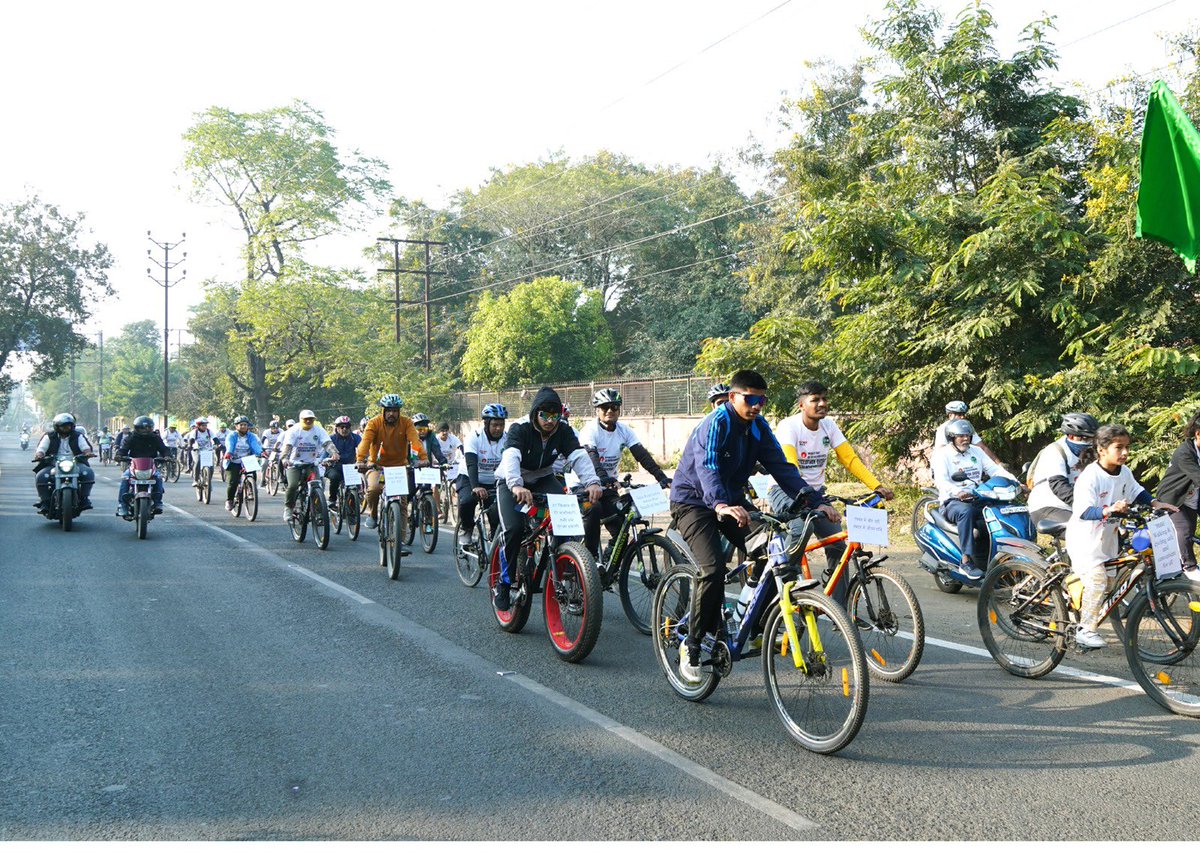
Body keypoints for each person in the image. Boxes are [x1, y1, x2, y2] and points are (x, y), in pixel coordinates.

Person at [669, 370, 828, 683]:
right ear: (733, 397)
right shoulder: (717, 422)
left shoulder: (758, 427)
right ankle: (693, 644)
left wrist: (812, 500)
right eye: (750, 399)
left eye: (761, 400)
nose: (756, 406)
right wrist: (720, 505)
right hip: (694, 502)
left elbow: (781, 466)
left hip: (732, 502)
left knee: (771, 551)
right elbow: (708, 466)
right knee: (713, 569)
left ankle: (748, 621)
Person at [773, 380, 895, 603]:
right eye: (815, 400)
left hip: (817, 493)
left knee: (838, 546)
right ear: (801, 405)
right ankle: (784, 594)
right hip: (786, 490)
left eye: (824, 399)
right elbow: (791, 469)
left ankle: (840, 610)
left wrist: (876, 486)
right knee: (800, 532)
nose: (822, 404)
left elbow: (849, 459)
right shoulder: (788, 427)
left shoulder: (828, 426)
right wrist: (817, 503)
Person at [493, 387, 603, 612]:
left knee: (567, 522)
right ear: (535, 413)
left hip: (543, 477)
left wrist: (592, 482)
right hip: (511, 481)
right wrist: (516, 484)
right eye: (544, 415)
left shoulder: (563, 430)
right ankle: (503, 584)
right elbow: (511, 455)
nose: (550, 421)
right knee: (513, 529)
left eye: (555, 416)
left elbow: (578, 455)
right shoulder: (520, 428)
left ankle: (565, 572)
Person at [1067, 424, 1177, 648]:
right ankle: (1084, 630)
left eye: (1127, 447)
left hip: (1107, 542)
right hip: (1084, 543)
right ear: (1101, 449)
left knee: (1108, 585)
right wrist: (1109, 510)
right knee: (1097, 583)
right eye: (1119, 447)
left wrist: (1156, 503)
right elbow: (1083, 511)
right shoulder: (1090, 476)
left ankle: (1072, 600)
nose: (1125, 453)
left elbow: (1136, 490)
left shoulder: (1124, 472)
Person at [578, 387, 672, 560]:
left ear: (619, 409)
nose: (609, 411)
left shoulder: (624, 430)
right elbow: (592, 458)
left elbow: (642, 455)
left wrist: (661, 477)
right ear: (597, 410)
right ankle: (589, 561)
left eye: (614, 407)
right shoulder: (590, 431)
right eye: (604, 407)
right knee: (594, 509)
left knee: (621, 526)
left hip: (607, 486)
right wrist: (603, 477)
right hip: (584, 485)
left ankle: (608, 564)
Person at [932, 419, 1019, 580]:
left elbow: (995, 469)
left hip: (978, 497)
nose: (965, 439)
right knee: (967, 512)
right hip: (953, 502)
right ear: (952, 438)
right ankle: (966, 561)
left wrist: (1016, 482)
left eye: (968, 436)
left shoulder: (976, 452)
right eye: (961, 436)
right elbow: (941, 481)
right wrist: (957, 491)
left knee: (999, 512)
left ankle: (1000, 559)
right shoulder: (942, 455)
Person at [356, 394, 426, 531]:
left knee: (402, 504)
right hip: (377, 466)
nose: (391, 413)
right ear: (383, 411)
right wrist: (360, 460)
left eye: (394, 410)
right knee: (374, 489)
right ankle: (373, 514)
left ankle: (401, 540)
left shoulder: (407, 423)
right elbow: (365, 442)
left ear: (399, 411)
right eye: (388, 410)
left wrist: (423, 458)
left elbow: (415, 441)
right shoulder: (374, 423)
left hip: (399, 468)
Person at [1027, 413, 1099, 530]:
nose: (1089, 443)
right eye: (1085, 438)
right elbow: (1059, 486)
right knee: (1086, 530)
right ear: (1070, 436)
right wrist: (1085, 505)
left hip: (1072, 507)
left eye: (1092, 439)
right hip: (1047, 506)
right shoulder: (1055, 451)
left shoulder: (1091, 453)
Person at [1155, 411, 1200, 579]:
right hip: (1174, 497)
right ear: (1198, 434)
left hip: (1193, 495)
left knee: (1189, 530)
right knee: (1185, 529)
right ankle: (1189, 568)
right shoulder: (1185, 452)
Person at [456, 404, 506, 546]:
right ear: (486, 423)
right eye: (495, 425)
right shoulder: (474, 437)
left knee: (498, 509)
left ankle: (495, 536)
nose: (498, 429)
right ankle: (466, 528)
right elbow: (471, 463)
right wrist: (475, 487)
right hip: (470, 477)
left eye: (501, 425)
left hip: (493, 480)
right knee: (467, 501)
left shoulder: (507, 439)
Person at [279, 410, 340, 523]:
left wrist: (334, 453)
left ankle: (318, 511)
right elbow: (287, 446)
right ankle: (288, 508)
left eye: (311, 419)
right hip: (294, 464)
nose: (308, 421)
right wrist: (285, 458)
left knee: (318, 485)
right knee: (292, 486)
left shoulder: (318, 430)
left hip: (311, 465)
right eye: (306, 419)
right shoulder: (294, 430)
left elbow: (327, 443)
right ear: (300, 419)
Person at [33, 413, 96, 513]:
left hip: (75, 462)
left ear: (72, 426)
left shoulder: (78, 436)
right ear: (57, 426)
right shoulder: (49, 436)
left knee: (88, 473)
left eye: (68, 425)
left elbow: (85, 447)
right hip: (53, 463)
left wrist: (88, 453)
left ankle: (84, 499)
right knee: (41, 476)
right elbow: (41, 448)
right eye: (63, 426)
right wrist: (40, 454)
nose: (66, 428)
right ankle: (45, 501)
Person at [115, 416, 170, 516]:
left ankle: (158, 502)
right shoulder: (131, 437)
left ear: (152, 428)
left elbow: (164, 449)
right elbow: (124, 449)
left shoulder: (155, 438)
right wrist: (119, 455)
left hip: (151, 465)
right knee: (125, 478)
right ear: (137, 428)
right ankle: (122, 505)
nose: (145, 430)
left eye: (148, 428)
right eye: (142, 428)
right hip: (134, 465)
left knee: (158, 478)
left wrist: (166, 456)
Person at [932, 400, 1001, 463]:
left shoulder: (967, 427)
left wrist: (999, 464)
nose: (962, 417)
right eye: (959, 414)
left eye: (963, 414)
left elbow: (982, 447)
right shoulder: (943, 428)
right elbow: (940, 451)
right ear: (950, 416)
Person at [223, 416, 263, 512]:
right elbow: (230, 445)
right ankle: (230, 500)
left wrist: (261, 452)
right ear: (236, 426)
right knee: (233, 481)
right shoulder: (232, 436)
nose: (243, 427)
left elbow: (255, 445)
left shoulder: (252, 436)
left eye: (245, 425)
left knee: (252, 475)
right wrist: (229, 453)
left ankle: (250, 490)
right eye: (241, 425)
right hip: (233, 460)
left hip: (247, 460)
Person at [326, 416, 361, 505]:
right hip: (335, 466)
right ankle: (332, 499)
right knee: (335, 477)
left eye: (347, 427)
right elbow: (324, 453)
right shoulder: (331, 439)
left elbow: (363, 449)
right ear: (337, 428)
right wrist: (326, 460)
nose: (344, 429)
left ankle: (356, 500)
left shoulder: (356, 438)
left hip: (350, 467)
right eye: (341, 427)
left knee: (357, 484)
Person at [186, 418, 217, 486]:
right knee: (198, 462)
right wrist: (190, 445)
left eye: (205, 425)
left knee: (211, 466)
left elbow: (215, 438)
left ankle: (208, 480)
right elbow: (191, 439)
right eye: (203, 425)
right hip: (196, 449)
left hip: (207, 450)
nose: (205, 427)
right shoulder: (194, 432)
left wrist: (219, 444)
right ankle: (196, 480)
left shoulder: (209, 431)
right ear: (198, 426)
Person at [259, 420, 285, 486]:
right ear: (270, 428)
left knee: (281, 461)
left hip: (277, 450)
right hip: (268, 449)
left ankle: (281, 476)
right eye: (273, 428)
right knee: (264, 463)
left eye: (277, 428)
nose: (275, 430)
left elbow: (285, 440)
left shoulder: (282, 431)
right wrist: (262, 448)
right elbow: (262, 441)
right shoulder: (266, 432)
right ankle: (263, 480)